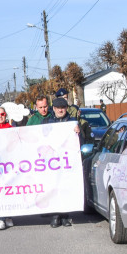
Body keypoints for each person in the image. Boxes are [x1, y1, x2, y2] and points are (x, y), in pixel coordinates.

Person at [46, 96, 82, 228]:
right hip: (52, 161)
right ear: (54, 109)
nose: (60, 110)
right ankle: (55, 215)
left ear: (66, 108)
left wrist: (78, 133)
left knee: (66, 187)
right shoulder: (47, 122)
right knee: (54, 187)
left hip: (68, 160)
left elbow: (80, 142)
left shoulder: (72, 122)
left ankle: (66, 216)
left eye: (63, 108)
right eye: (58, 108)